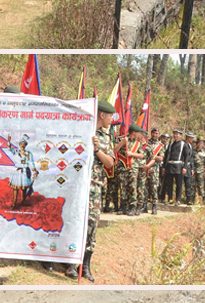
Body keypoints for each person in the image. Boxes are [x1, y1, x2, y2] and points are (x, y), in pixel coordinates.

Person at [80, 99, 116, 282]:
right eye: (110, 116)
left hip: (95, 186)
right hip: (78, 184)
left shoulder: (105, 137)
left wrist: (97, 150)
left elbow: (110, 163)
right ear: (102, 115)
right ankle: (70, 263)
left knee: (92, 223)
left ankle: (85, 264)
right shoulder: (82, 129)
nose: (112, 119)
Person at [163, 129, 190, 205]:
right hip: (170, 166)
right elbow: (166, 156)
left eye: (177, 134)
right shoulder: (171, 144)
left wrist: (185, 167)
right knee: (169, 184)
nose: (175, 135)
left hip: (178, 166)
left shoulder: (183, 144)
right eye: (174, 134)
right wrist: (164, 166)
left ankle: (178, 200)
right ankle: (170, 199)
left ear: (181, 135)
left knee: (179, 184)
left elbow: (186, 156)